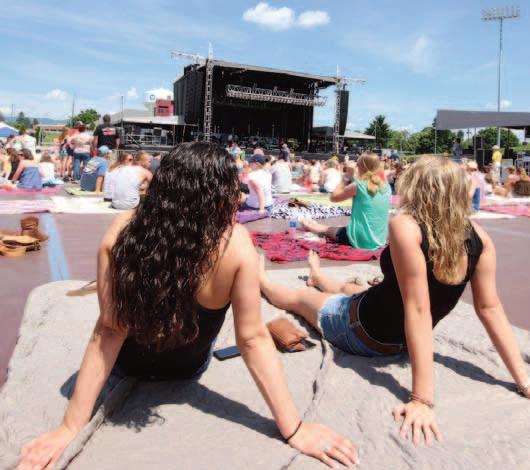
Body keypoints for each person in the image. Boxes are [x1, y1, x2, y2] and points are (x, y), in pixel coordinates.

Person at [17, 142, 357, 470]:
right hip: (187, 369)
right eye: (233, 189)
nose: (238, 197)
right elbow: (252, 339)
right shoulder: (236, 244)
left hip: (126, 366)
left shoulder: (121, 231)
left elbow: (109, 331)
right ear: (216, 195)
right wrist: (294, 429)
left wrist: (69, 427)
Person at [259, 155, 530, 446]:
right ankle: (319, 277)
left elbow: (418, 308)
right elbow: (489, 308)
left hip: (363, 331)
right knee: (352, 289)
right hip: (390, 328)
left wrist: (422, 399)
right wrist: (526, 382)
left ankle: (263, 282)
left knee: (301, 298)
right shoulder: (480, 237)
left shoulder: (406, 226)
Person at [303, 153, 391, 250]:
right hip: (379, 239)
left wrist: (346, 177)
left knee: (327, 229)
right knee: (336, 228)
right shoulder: (386, 187)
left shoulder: (358, 186)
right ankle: (312, 224)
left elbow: (333, 197)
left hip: (358, 239)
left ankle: (308, 224)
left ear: (361, 167)